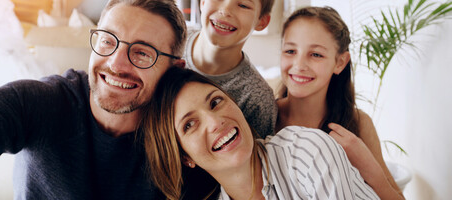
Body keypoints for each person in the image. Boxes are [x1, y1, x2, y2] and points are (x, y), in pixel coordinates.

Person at [0, 0, 187, 199]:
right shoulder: (39, 101)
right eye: (107, 41)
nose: (116, 64)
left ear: (174, 70)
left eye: (142, 52)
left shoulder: (181, 143)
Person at [142, 67, 380, 200]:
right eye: (190, 125)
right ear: (186, 157)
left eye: (215, 102)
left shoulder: (306, 151)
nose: (215, 122)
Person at [276, 6, 404, 199]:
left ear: (340, 62)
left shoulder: (358, 124)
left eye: (316, 54)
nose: (299, 65)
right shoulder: (264, 116)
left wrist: (368, 167)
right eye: (290, 51)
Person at [184, 0, 279, 138]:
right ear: (203, 0)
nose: (225, 10)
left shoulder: (257, 99)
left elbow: (255, 162)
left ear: (261, 22)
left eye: (243, 5)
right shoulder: (171, 43)